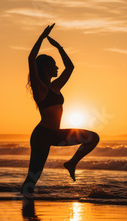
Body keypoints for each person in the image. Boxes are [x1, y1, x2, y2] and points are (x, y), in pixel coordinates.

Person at [21, 23, 100, 198]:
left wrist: (59, 47)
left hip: (56, 134)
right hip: (42, 135)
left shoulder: (55, 86)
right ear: (45, 68)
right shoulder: (40, 88)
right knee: (34, 176)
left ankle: (71, 163)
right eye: (54, 65)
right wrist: (42, 37)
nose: (57, 68)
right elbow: (30, 59)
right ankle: (25, 205)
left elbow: (70, 67)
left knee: (92, 138)